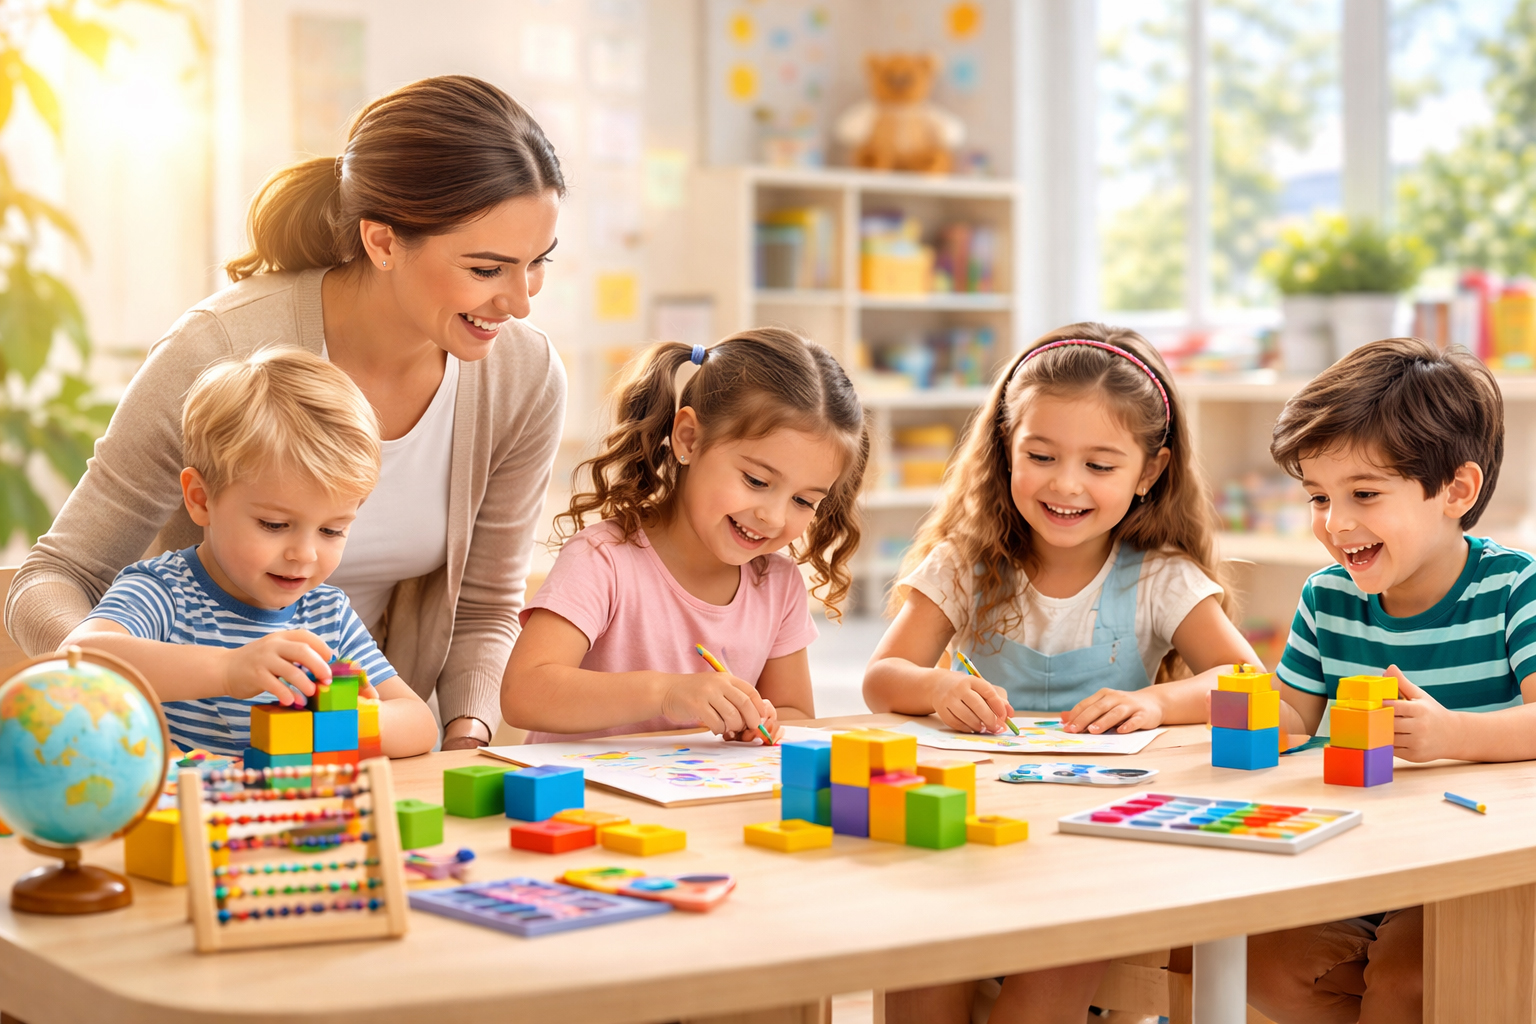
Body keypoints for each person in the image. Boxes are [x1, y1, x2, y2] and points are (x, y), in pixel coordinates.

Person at [6, 75, 567, 750]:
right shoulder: (220, 348)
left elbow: (484, 609)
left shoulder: (524, 375)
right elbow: (60, 574)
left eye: (539, 263)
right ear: (383, 242)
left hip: (347, 756)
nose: (522, 301)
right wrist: (116, 676)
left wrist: (461, 750)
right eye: (487, 269)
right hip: (175, 747)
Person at [863, 323, 1259, 1024]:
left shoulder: (1161, 580)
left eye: (1100, 466)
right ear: (1004, 450)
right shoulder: (966, 564)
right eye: (1040, 455)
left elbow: (1247, 682)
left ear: (1150, 471)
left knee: (1045, 988)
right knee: (919, 983)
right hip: (970, 831)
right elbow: (883, 676)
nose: (1066, 484)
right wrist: (937, 686)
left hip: (1095, 844)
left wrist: (1158, 702)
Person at [1249, 338, 1530, 1024]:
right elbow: (1292, 712)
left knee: (1410, 977)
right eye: (1318, 496)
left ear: (1455, 491)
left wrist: (1451, 733)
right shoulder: (1327, 598)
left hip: (1475, 873)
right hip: (1360, 858)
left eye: (1365, 494)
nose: (1336, 523)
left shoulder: (1512, 589)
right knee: (1265, 965)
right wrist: (1247, 716)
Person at [63, 349, 437, 758]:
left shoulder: (327, 614)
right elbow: (80, 658)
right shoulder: (165, 593)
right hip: (186, 813)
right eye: (275, 526)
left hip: (296, 815)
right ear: (201, 499)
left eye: (333, 529)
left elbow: (419, 724)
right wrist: (228, 670)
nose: (304, 554)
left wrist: (350, 722)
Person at [500, 328, 868, 743]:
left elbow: (796, 712)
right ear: (688, 438)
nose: (773, 516)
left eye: (803, 501)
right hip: (581, 800)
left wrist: (762, 721)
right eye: (756, 480)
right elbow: (523, 694)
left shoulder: (777, 584)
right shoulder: (603, 559)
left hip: (695, 801)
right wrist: (668, 693)